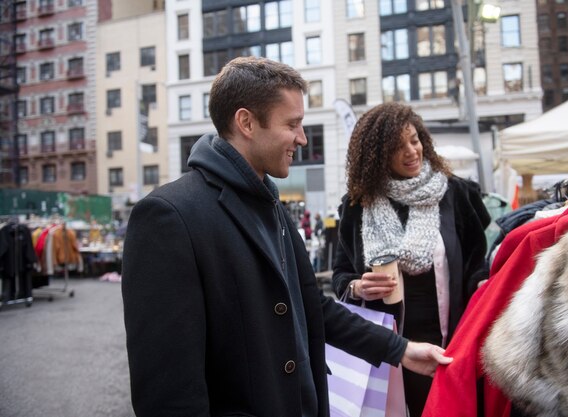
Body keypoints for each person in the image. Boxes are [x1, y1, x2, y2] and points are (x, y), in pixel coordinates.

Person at [121, 57, 452, 417]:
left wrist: (400, 349)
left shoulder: (269, 204)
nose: (302, 138)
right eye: (292, 124)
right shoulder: (168, 216)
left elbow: (312, 307)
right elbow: (169, 395)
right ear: (246, 122)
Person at [332, 102, 490, 416]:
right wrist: (357, 286)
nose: (411, 151)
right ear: (377, 155)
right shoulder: (357, 206)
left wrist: (484, 284)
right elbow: (340, 276)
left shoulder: (456, 194)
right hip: (389, 352)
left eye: (414, 140)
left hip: (453, 344)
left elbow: (475, 264)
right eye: (397, 146)